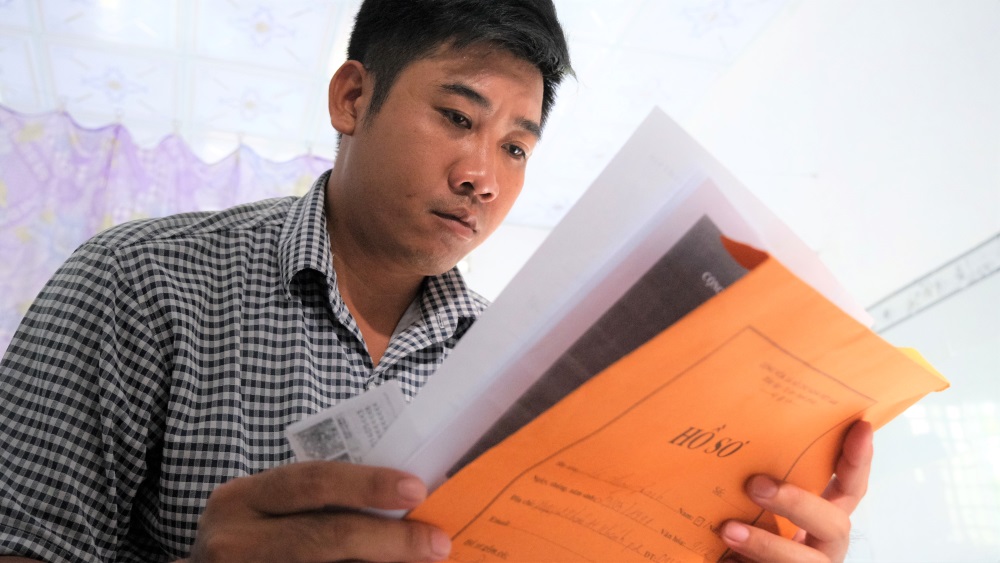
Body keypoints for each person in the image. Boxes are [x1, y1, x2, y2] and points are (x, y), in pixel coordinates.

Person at [0, 0, 873, 561]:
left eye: (517, 147)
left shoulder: (524, 367)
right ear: (352, 98)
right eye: (458, 116)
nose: (483, 177)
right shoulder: (143, 281)